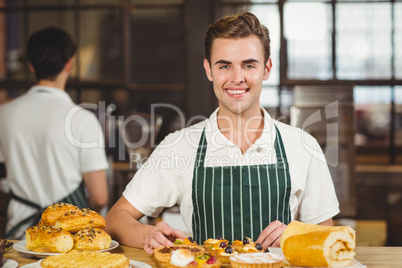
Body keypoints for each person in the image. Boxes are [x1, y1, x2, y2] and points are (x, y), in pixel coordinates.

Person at [105, 12, 339, 254]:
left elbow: (329, 238)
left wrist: (294, 234)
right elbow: (115, 218)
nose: (237, 78)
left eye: (249, 65)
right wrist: (148, 234)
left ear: (267, 68)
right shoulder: (179, 146)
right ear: (209, 70)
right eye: (224, 66)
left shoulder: (302, 146)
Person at [0, 27, 109, 239]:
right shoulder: (82, 120)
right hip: (67, 239)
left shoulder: (3, 114)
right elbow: (100, 197)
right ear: (69, 64)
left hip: (18, 237)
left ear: (31, 66)